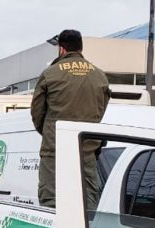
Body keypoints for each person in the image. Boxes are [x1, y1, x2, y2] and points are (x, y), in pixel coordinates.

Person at [31, 29, 110, 209]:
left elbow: (37, 113)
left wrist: (50, 133)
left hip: (55, 150)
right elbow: (101, 110)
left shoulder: (50, 74)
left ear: (61, 49)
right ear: (80, 48)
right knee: (88, 203)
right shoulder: (99, 76)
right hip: (86, 150)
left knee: (52, 204)